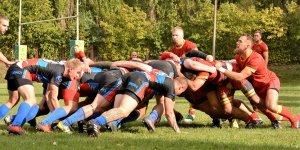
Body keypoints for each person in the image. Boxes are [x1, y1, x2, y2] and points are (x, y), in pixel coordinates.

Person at [215, 34, 300, 128]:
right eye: (237, 40)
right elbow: (233, 61)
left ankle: (294, 118)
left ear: (247, 46)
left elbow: (241, 76)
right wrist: (218, 61)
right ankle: (275, 120)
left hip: (270, 82)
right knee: (259, 107)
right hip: (258, 87)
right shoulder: (238, 56)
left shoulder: (255, 58)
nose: (237, 42)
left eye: (240, 41)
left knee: (271, 105)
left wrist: (221, 69)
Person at [1, 58, 82, 134]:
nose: (78, 76)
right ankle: (15, 125)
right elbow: (53, 98)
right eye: (78, 72)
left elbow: (48, 96)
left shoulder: (58, 69)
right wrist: (59, 119)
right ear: (70, 69)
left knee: (12, 101)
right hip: (21, 69)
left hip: (14, 68)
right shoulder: (59, 73)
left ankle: (15, 123)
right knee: (31, 99)